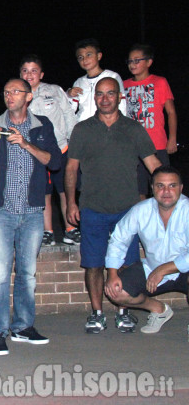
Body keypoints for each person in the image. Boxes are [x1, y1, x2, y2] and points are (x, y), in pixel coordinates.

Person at [65, 77, 161, 334]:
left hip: (127, 211)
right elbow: (71, 168)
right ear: (94, 98)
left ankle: (123, 311)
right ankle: (96, 313)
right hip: (92, 208)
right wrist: (71, 202)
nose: (105, 99)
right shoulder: (83, 129)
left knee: (126, 264)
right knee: (94, 263)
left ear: (119, 97)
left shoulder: (133, 129)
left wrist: (167, 197)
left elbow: (154, 166)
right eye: (100, 94)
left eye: (110, 94)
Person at [0, 78, 61, 356]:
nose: (9, 96)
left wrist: (26, 143)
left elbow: (54, 162)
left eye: (16, 91)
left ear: (29, 97)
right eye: (6, 92)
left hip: (32, 212)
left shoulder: (42, 126)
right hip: (1, 211)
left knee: (28, 274)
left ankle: (23, 326)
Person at [105, 166, 189, 334]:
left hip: (183, 270)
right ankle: (159, 310)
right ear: (152, 188)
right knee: (116, 292)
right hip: (151, 267)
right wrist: (112, 273)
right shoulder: (141, 210)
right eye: (160, 186)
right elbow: (118, 239)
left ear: (181, 188)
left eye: (172, 186)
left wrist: (164, 269)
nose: (166, 191)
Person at [19, 56, 79, 246]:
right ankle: (47, 231)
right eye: (25, 71)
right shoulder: (17, 93)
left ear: (41, 74)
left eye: (34, 70)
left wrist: (74, 140)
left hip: (61, 148)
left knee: (65, 190)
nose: (30, 74)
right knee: (43, 192)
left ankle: (71, 229)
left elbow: (68, 114)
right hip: (36, 153)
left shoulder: (53, 90)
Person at [123, 44, 177, 196]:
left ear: (149, 62)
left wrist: (172, 138)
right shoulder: (124, 85)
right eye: (130, 61)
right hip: (132, 146)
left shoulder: (160, 82)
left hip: (157, 144)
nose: (132, 64)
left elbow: (171, 112)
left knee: (161, 186)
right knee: (138, 189)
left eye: (137, 60)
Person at [67, 38, 127, 122]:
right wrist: (69, 95)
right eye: (81, 57)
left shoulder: (112, 76)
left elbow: (122, 104)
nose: (85, 60)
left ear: (99, 56)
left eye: (89, 55)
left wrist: (120, 125)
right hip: (84, 127)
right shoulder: (79, 82)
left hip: (106, 125)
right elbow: (70, 110)